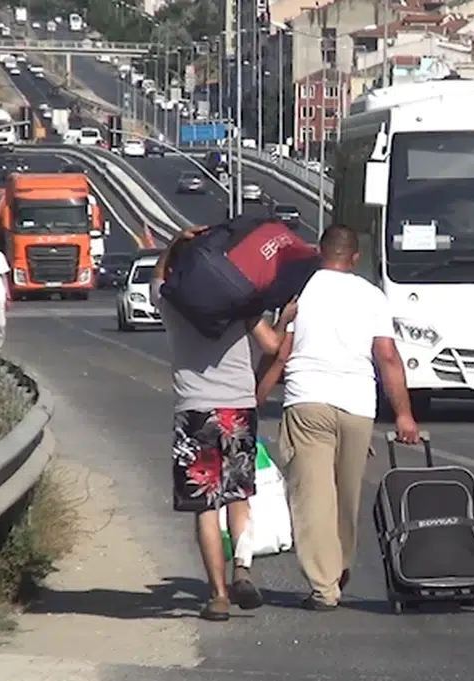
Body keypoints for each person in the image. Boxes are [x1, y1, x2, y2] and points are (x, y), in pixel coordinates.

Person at [256, 224, 420, 611]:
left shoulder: (301, 291)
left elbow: (281, 352)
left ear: (319, 252)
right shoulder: (372, 296)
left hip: (307, 401)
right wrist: (404, 416)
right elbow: (388, 357)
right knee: (347, 496)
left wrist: (255, 398)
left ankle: (324, 585)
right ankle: (338, 565)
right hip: (358, 405)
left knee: (312, 498)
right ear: (355, 258)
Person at [151, 226, 294, 622]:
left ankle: (217, 596)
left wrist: (177, 242)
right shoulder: (237, 304)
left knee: (205, 507)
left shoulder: (173, 304)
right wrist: (284, 320)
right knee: (238, 498)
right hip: (238, 409)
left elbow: (158, 279)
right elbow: (271, 346)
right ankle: (243, 568)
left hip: (195, 412)